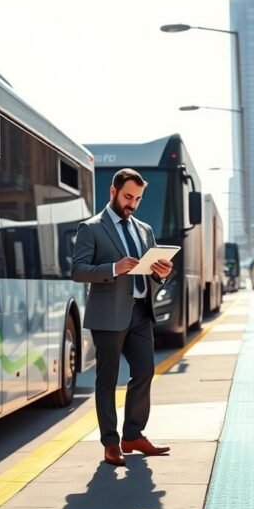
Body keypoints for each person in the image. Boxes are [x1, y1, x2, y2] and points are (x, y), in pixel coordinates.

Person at [71, 168, 174, 466]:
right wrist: (114, 268)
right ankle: (110, 443)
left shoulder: (144, 229)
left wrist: (161, 275)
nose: (133, 204)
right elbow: (78, 270)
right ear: (113, 192)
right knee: (107, 380)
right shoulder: (91, 228)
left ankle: (133, 435)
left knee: (144, 372)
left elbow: (150, 271)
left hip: (141, 313)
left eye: (138, 199)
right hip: (108, 316)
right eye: (128, 196)